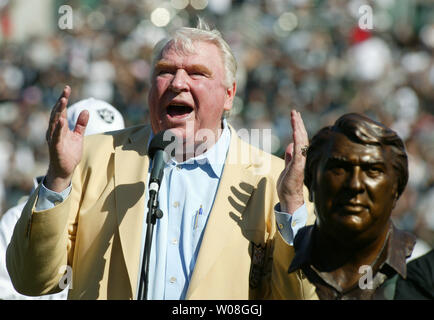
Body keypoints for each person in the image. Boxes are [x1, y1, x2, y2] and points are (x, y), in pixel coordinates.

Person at [6, 22, 315, 300]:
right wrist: (57, 180)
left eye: (196, 73)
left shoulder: (274, 181)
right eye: (165, 71)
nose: (178, 83)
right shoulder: (90, 158)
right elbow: (31, 281)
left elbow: (301, 296)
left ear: (229, 94)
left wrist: (291, 207)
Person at [278, 113, 416, 300]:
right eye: (339, 168)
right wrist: (292, 200)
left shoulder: (419, 268)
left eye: (373, 170)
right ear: (312, 184)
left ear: (396, 189)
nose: (355, 184)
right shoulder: (288, 259)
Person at [0, 98, 125, 300]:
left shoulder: (127, 216)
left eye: (111, 153)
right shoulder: (16, 220)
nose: (101, 162)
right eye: (91, 149)